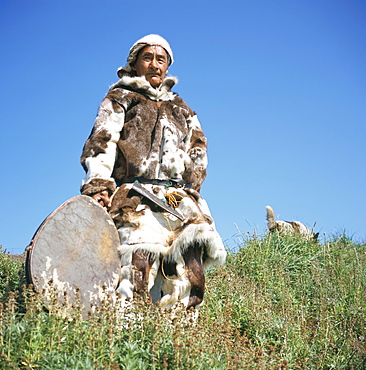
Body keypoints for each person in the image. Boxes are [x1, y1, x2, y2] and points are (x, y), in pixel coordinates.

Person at [80, 34, 226, 311]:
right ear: (135, 64)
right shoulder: (121, 98)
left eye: (161, 59)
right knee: (138, 266)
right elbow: (102, 140)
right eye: (148, 58)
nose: (155, 65)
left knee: (188, 271)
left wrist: (191, 187)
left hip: (177, 200)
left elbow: (197, 147)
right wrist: (99, 185)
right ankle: (128, 339)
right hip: (134, 197)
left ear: (168, 67)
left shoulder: (181, 108)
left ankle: (179, 342)